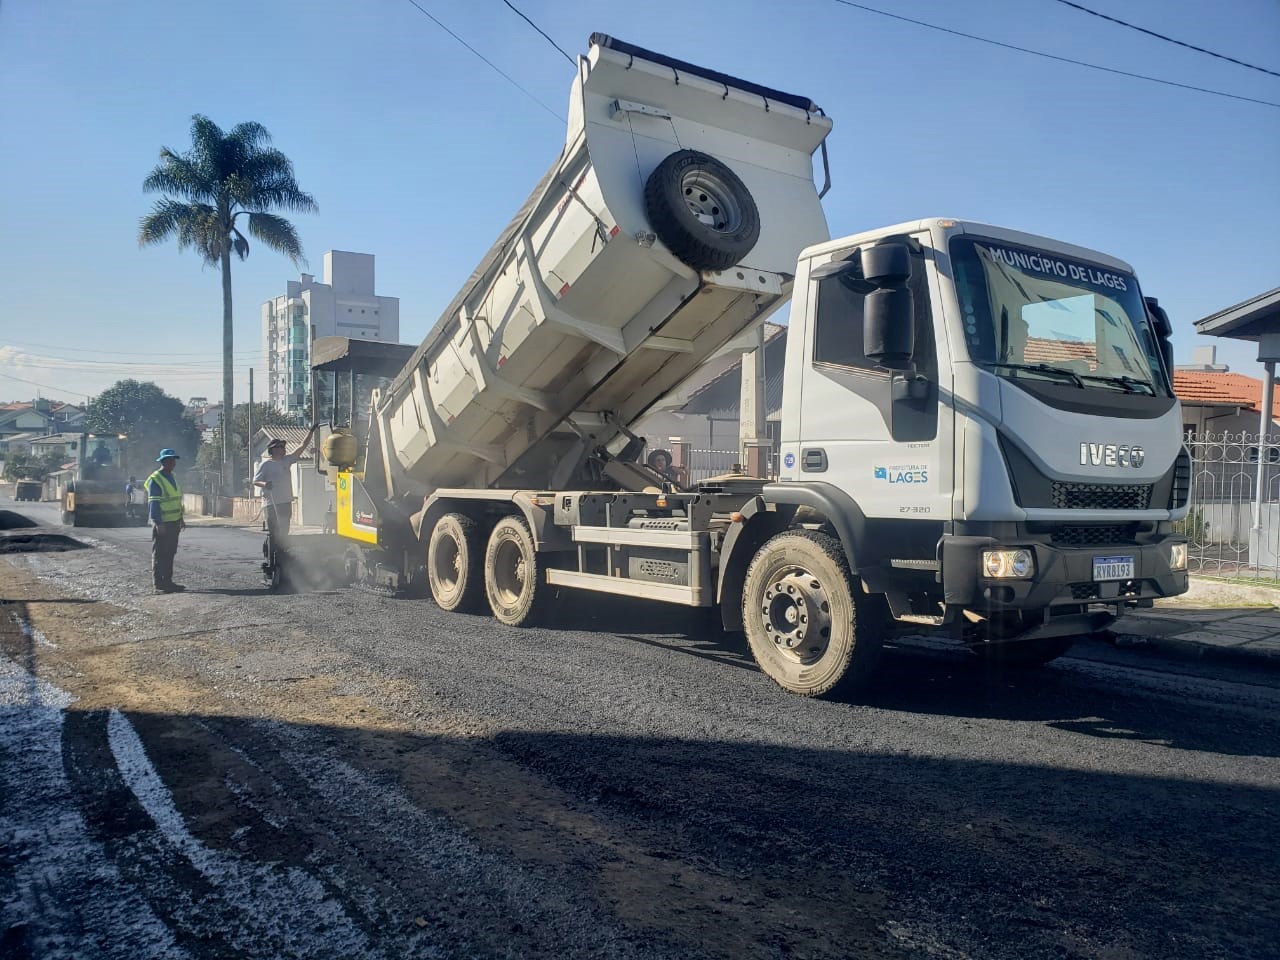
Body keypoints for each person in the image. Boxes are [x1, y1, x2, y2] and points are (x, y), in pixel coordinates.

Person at [252, 425, 319, 541]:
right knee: (274, 531)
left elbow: (302, 446)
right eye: (281, 447)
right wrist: (265, 484)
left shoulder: (287, 461)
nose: (284, 449)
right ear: (274, 450)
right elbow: (255, 481)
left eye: (283, 447)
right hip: (271, 503)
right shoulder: (266, 465)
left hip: (285, 501)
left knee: (284, 530)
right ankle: (273, 553)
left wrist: (311, 432)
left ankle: (283, 552)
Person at [146, 449, 185, 593]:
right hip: (163, 523)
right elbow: (154, 503)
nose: (172, 462)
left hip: (174, 522)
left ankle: (168, 581)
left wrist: (181, 519)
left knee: (170, 553)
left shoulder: (172, 476)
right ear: (162, 462)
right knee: (160, 553)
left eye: (174, 460)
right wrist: (157, 523)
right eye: (169, 460)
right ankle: (159, 584)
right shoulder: (155, 479)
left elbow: (176, 500)